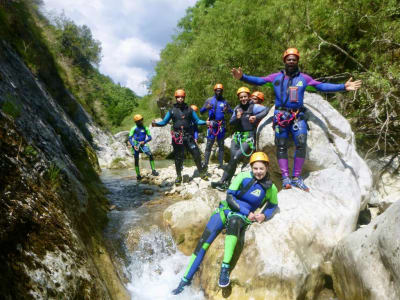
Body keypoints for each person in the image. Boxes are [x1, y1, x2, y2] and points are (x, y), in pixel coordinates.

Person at [232, 48, 362, 191]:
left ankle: (297, 177)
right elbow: (259, 80)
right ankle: (286, 177)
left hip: (297, 116)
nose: (291, 61)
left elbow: (321, 86)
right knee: (281, 145)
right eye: (289, 59)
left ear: (297, 61)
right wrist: (242, 77)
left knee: (301, 143)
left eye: (294, 59)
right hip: (281, 116)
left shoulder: (304, 79)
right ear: (285, 61)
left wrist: (343, 86)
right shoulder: (276, 77)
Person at [172, 152, 278, 295]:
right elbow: (229, 196)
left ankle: (225, 268)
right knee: (202, 244)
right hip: (225, 210)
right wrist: (247, 212)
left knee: (234, 222)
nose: (258, 172)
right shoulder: (243, 177)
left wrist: (264, 215)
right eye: (255, 168)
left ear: (267, 168)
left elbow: (272, 205)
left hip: (240, 217)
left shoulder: (270, 188)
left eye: (261, 168)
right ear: (251, 168)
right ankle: (184, 281)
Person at [211, 87, 268, 191]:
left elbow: (267, 110)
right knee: (233, 160)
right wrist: (237, 117)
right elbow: (231, 122)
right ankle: (226, 183)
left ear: (249, 96)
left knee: (235, 158)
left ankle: (222, 181)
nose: (243, 99)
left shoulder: (254, 107)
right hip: (237, 137)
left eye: (245, 96)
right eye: (241, 97)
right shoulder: (237, 108)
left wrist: (256, 117)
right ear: (239, 98)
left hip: (248, 137)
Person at [152, 89, 208, 185]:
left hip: (188, 136)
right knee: (178, 157)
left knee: (196, 154)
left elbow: (197, 121)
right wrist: (156, 124)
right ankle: (178, 176)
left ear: (184, 97)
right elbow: (164, 122)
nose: (180, 99)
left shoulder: (190, 110)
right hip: (178, 138)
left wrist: (206, 122)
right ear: (176, 98)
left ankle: (202, 173)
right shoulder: (172, 111)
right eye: (178, 97)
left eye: (182, 97)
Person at [200, 83, 233, 170]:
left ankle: (221, 165)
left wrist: (227, 110)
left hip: (221, 125)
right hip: (211, 125)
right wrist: (206, 108)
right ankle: (205, 164)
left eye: (220, 90)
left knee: (221, 145)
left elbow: (232, 112)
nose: (219, 92)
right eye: (217, 90)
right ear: (214, 91)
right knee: (209, 144)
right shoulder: (209, 100)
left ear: (222, 91)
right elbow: (201, 111)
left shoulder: (225, 101)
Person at [128, 114, 159, 180]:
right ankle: (138, 175)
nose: (141, 121)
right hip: (136, 145)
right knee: (136, 160)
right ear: (136, 122)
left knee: (150, 155)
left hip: (143, 144)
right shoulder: (133, 128)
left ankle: (153, 171)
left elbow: (150, 137)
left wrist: (144, 142)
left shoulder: (145, 128)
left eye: (141, 120)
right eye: (139, 121)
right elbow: (130, 138)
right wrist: (133, 145)